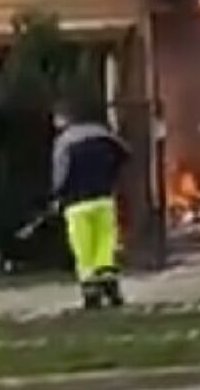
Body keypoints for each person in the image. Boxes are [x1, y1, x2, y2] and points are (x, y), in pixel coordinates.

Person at [50, 100, 131, 309]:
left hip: (77, 204)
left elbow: (61, 173)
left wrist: (58, 194)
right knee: (105, 244)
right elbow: (125, 153)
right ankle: (110, 285)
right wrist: (110, 176)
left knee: (83, 248)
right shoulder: (103, 135)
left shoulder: (65, 142)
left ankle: (90, 291)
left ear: (64, 119)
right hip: (103, 199)